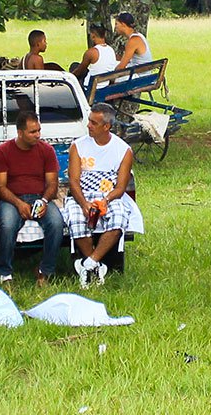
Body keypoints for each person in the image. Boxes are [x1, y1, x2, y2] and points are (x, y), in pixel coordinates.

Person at [62, 103, 139, 288]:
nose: (88, 125)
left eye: (93, 123)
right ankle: (97, 267)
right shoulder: (78, 146)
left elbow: (120, 187)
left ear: (107, 126)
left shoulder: (123, 150)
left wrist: (104, 201)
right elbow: (73, 181)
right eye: (89, 121)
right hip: (82, 195)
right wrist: (84, 203)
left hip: (109, 196)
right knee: (75, 218)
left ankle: (89, 263)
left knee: (119, 217)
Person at [0, 112, 66, 287]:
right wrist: (19, 204)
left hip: (40, 197)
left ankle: (45, 271)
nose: (38, 135)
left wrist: (44, 201)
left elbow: (52, 183)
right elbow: (1, 187)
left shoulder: (47, 150)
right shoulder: (3, 151)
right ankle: (5, 273)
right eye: (33, 132)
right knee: (8, 225)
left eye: (39, 130)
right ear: (20, 133)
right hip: (12, 199)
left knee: (56, 223)